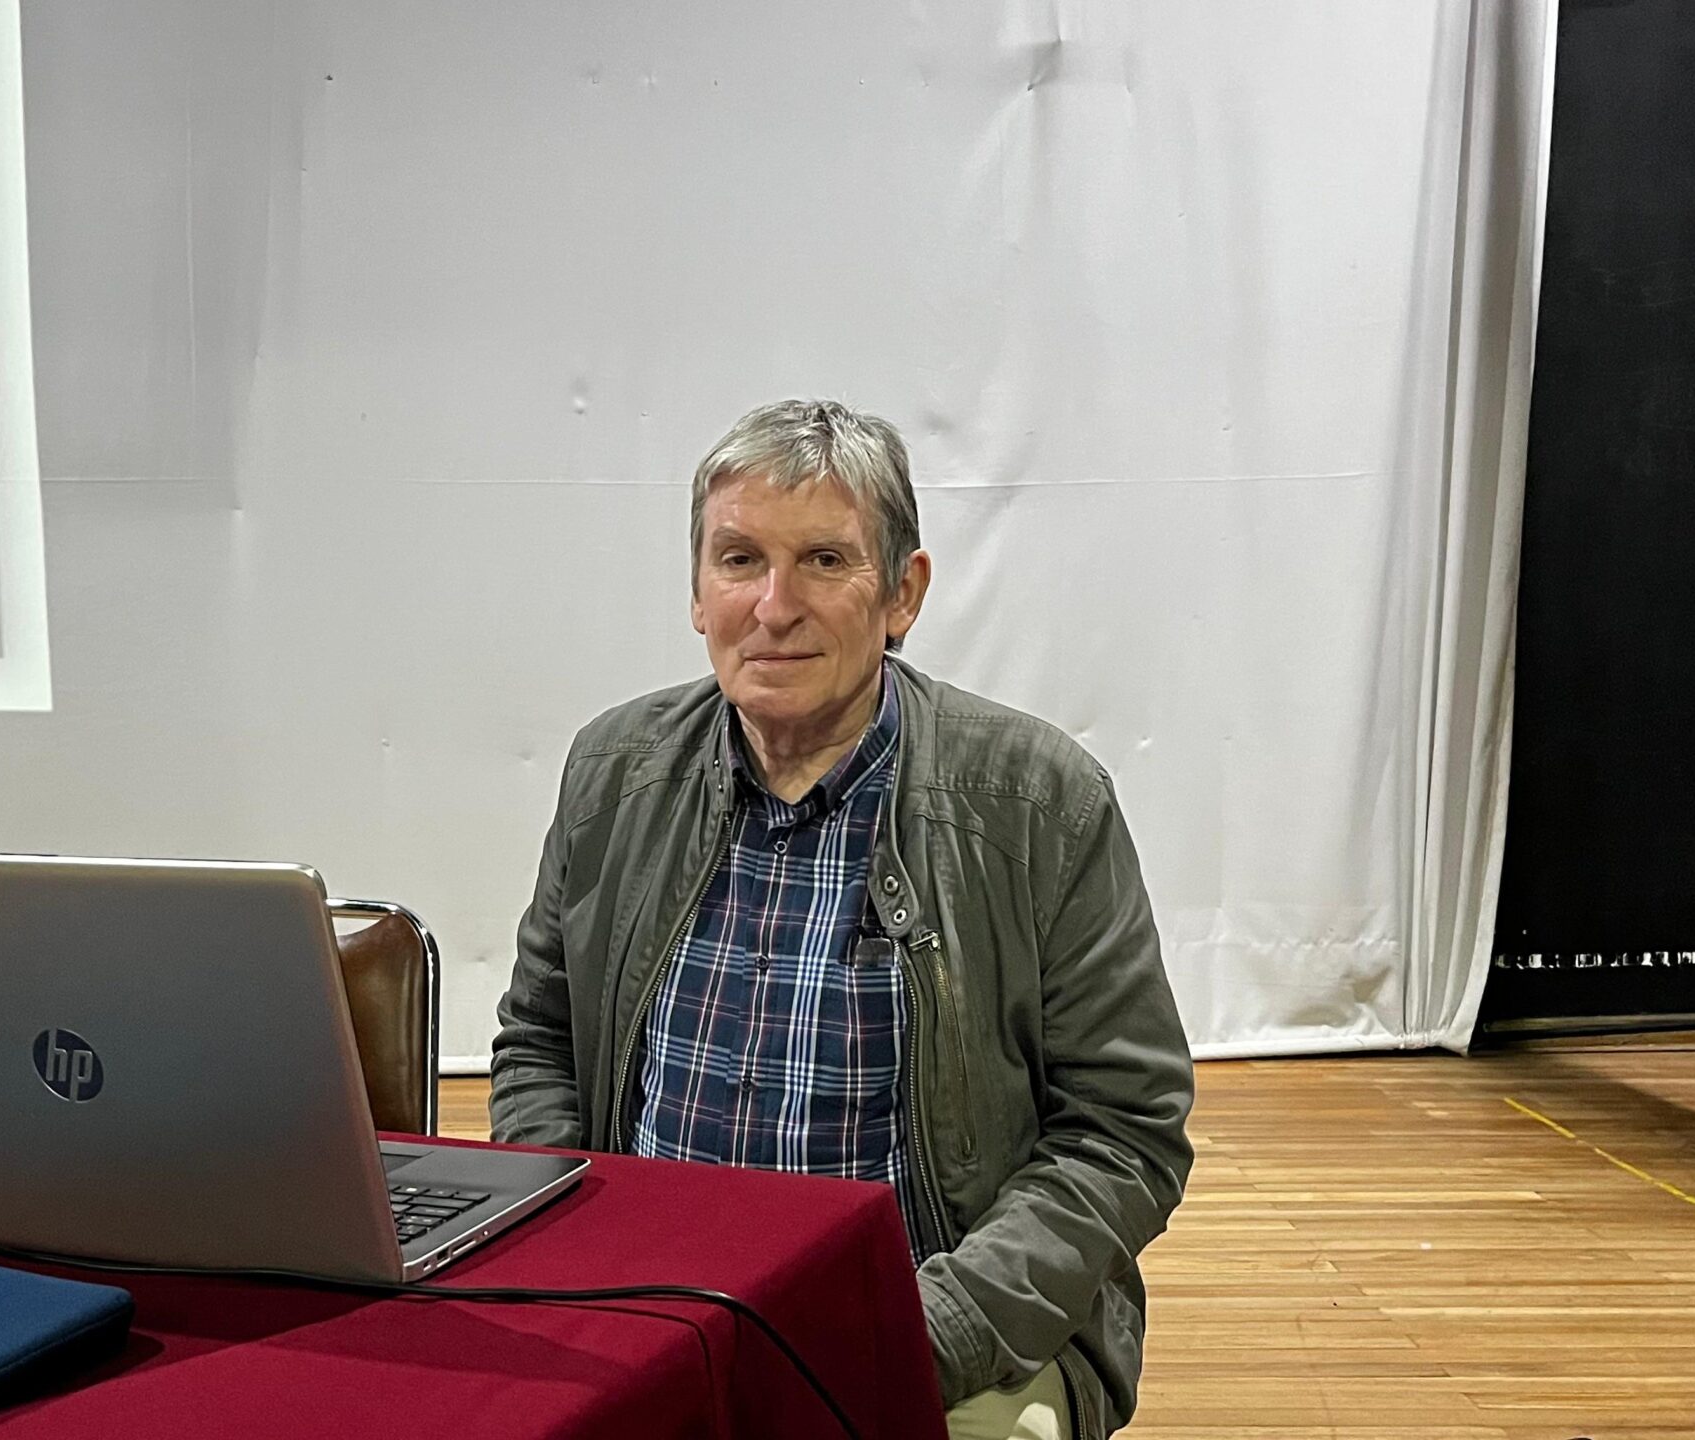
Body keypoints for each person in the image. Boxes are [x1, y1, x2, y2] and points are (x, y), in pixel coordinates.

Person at [490, 400, 1195, 1439]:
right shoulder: (615, 771)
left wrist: (933, 1330)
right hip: (646, 1313)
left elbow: (1123, 1132)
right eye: (739, 560)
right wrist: (573, 1259)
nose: (774, 607)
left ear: (903, 593)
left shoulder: (1038, 802)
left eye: (823, 561)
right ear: (697, 591)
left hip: (939, 1333)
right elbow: (539, 1043)